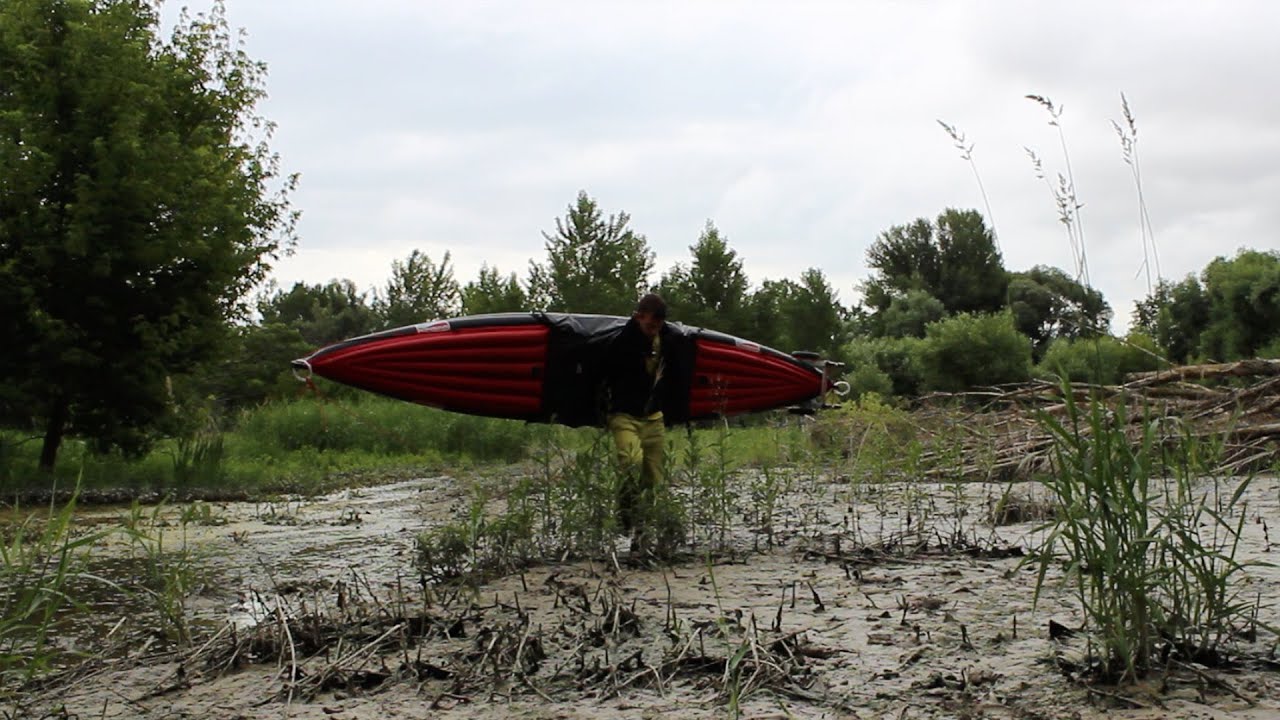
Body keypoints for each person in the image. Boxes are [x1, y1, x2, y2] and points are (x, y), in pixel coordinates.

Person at [603, 293, 678, 554]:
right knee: (630, 461)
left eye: (657, 325)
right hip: (625, 416)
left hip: (654, 418)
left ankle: (643, 536)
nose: (652, 329)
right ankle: (624, 515)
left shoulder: (668, 339)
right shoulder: (620, 343)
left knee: (653, 480)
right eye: (649, 325)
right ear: (638, 318)